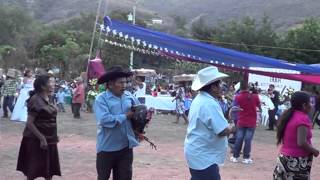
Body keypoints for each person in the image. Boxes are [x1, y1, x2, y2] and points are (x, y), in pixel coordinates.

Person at [184, 66, 236, 180]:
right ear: (213, 87)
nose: (222, 86)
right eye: (220, 84)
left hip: (198, 153)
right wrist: (234, 126)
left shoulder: (200, 99)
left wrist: (229, 116)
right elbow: (222, 131)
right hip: (204, 157)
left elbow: (213, 123)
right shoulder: (209, 103)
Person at [93, 66, 140, 180]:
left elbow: (138, 111)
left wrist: (144, 116)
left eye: (126, 82)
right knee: (103, 177)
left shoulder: (129, 96)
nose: (124, 86)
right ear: (110, 84)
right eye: (120, 83)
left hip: (125, 148)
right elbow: (104, 120)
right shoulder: (101, 99)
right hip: (107, 149)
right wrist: (125, 116)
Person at [16, 74, 61, 180]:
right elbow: (30, 123)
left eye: (53, 81)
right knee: (33, 170)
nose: (53, 84)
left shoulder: (48, 97)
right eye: (50, 82)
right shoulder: (35, 100)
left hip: (49, 139)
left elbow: (50, 119)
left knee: (48, 170)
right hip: (35, 140)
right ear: (42, 86)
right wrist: (41, 138)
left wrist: (54, 136)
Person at [273, 91, 319, 179]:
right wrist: (314, 151)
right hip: (297, 161)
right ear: (304, 105)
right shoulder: (302, 118)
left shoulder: (289, 115)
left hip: (284, 158)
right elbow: (301, 142)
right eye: (310, 102)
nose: (312, 105)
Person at [230, 81, 261, 164]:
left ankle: (235, 157)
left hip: (241, 120)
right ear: (248, 87)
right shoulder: (255, 96)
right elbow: (259, 106)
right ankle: (246, 158)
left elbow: (234, 108)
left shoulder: (238, 96)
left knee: (239, 138)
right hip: (251, 121)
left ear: (240, 88)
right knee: (248, 140)